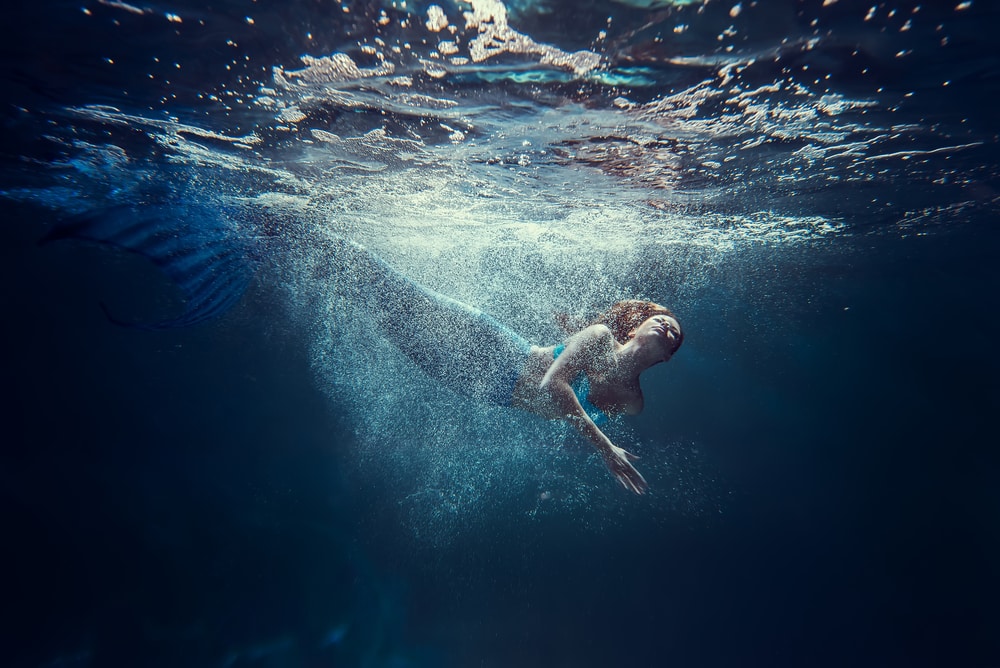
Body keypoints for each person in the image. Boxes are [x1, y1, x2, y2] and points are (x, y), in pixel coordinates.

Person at [336, 238, 683, 495]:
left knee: (390, 324)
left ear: (666, 357)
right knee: (404, 295)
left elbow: (566, 419)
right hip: (494, 345)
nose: (667, 326)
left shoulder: (633, 403)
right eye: (661, 320)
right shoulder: (600, 336)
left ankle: (331, 272)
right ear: (636, 327)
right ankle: (333, 246)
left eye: (674, 333)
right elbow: (553, 385)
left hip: (489, 389)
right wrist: (605, 447)